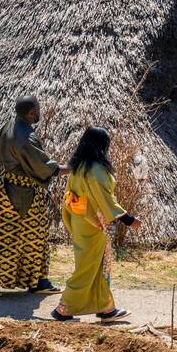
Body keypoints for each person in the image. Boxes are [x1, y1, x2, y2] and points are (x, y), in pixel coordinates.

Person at [0, 97, 67, 296]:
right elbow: (44, 168)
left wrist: (8, 170)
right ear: (31, 113)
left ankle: (38, 280)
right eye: (37, 110)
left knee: (22, 234)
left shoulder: (9, 126)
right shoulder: (26, 138)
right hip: (23, 194)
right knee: (14, 238)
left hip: (6, 189)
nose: (39, 112)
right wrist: (73, 168)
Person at [52, 126, 140, 322]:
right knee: (87, 267)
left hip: (81, 221)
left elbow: (68, 197)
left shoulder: (79, 167)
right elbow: (106, 199)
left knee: (100, 265)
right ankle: (63, 309)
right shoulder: (96, 171)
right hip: (94, 224)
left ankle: (105, 308)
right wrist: (128, 219)